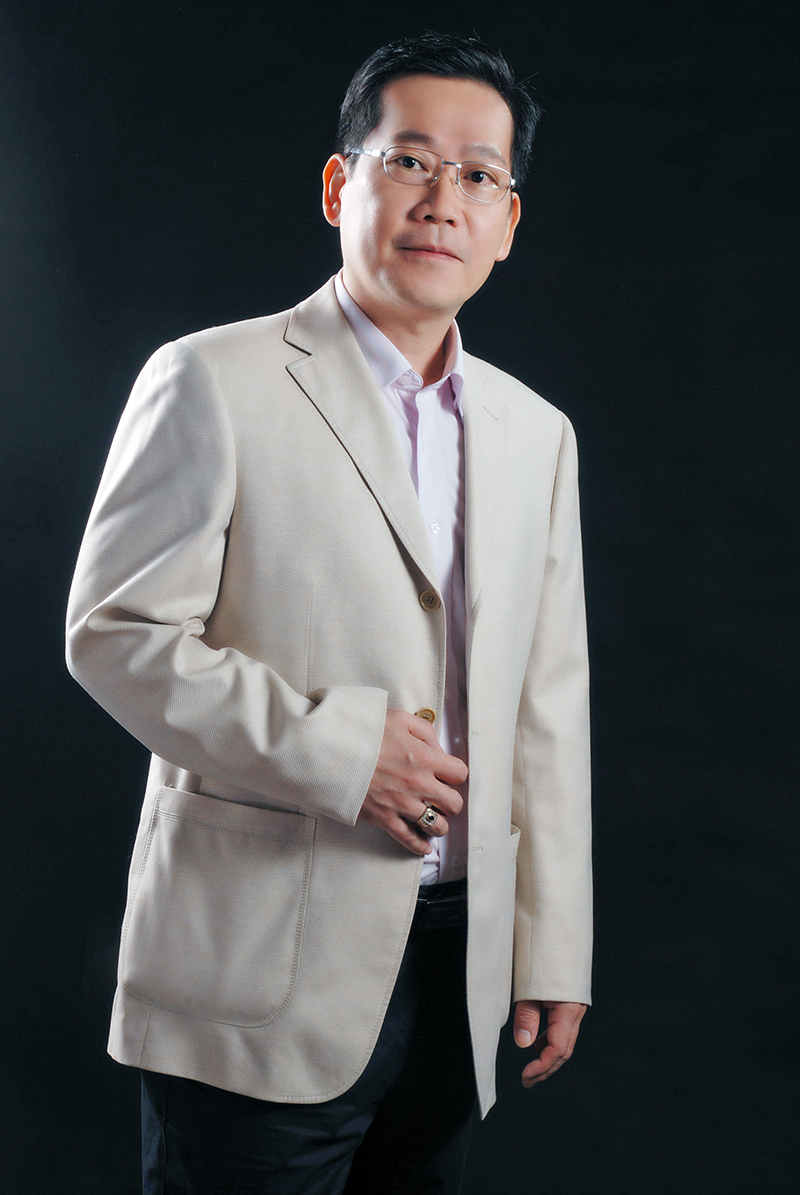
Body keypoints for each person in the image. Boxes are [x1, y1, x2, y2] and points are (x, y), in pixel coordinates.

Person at [66, 31, 592, 1195]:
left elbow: (545, 704)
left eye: (477, 174)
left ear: (507, 221)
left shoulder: (534, 432)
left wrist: (551, 939)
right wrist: (345, 751)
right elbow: (115, 634)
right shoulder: (210, 379)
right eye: (408, 160)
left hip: (459, 966)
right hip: (256, 960)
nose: (441, 199)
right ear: (337, 184)